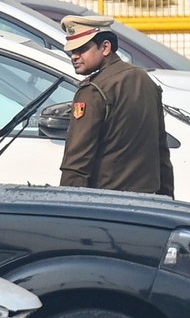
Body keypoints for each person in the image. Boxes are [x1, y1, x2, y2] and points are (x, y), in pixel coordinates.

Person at [58, 14, 174, 196]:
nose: (74, 56)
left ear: (105, 47)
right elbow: (161, 153)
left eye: (82, 49)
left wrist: (66, 207)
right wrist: (167, 200)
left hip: (107, 205)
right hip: (148, 202)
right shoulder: (144, 80)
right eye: (72, 51)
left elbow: (77, 162)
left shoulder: (93, 90)